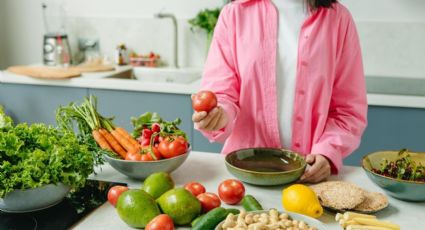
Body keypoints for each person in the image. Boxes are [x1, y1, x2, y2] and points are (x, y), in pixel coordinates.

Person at [192, 0, 367, 183]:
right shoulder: (235, 13)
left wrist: (328, 152)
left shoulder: (338, 19)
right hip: (245, 176)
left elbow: (348, 110)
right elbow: (221, 93)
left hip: (309, 178)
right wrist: (218, 114)